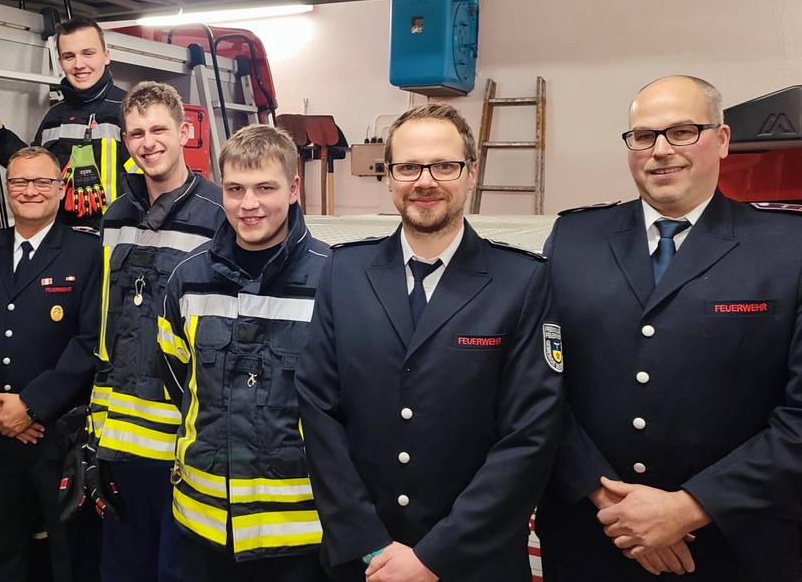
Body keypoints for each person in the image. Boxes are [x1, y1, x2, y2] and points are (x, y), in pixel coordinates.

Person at [535, 75, 802, 581]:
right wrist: (611, 502)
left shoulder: (788, 247)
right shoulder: (574, 239)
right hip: (593, 535)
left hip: (734, 543)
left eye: (682, 131)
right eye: (643, 136)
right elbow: (539, 384)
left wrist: (690, 507)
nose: (660, 151)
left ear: (722, 140)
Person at [296, 103, 564, 582]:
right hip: (364, 562)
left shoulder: (521, 282)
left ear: (471, 173)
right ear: (389, 175)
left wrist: (436, 556)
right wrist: (368, 544)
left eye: (444, 165)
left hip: (473, 564)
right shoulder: (345, 272)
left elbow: (530, 436)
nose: (425, 181)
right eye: (408, 167)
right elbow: (318, 411)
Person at [157, 124, 328, 581]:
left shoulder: (334, 281)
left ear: (293, 189)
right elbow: (176, 380)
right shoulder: (187, 278)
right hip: (204, 523)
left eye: (265, 188)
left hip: (299, 532)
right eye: (235, 189)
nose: (248, 204)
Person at [91, 81, 226, 582]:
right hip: (119, 439)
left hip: (183, 443)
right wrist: (95, 430)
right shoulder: (115, 215)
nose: (148, 143)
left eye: (158, 130)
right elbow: (107, 325)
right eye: (136, 133)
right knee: (121, 570)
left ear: (184, 132)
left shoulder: (221, 215)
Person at [0, 145, 104, 582]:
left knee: (67, 554)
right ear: (7, 189)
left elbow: (90, 340)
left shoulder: (88, 253)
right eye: (19, 181)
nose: (30, 191)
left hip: (58, 435)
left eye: (42, 181)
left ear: (60, 189)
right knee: (2, 551)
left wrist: (32, 406)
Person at [0, 17, 132, 229]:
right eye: (69, 56)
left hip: (115, 239)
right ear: (60, 62)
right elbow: (36, 168)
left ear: (106, 56)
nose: (79, 64)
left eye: (88, 53)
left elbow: (152, 183)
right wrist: (0, 138)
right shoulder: (54, 115)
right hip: (60, 238)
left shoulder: (130, 110)